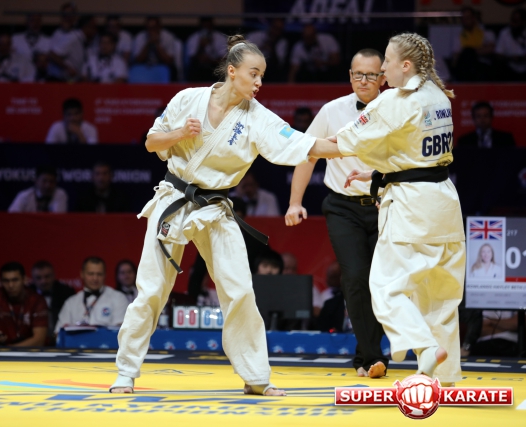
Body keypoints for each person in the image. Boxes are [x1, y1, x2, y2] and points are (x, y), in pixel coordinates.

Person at [109, 35, 331, 396]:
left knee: (239, 288)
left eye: (262, 76)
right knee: (151, 289)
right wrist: (180, 132)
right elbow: (151, 142)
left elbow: (304, 145)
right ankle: (125, 373)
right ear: (232, 71)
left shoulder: (258, 117)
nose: (259, 83)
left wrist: (351, 146)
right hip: (173, 198)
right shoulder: (188, 99)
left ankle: (256, 377)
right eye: (254, 74)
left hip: (214, 208)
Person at [307, 33, 465, 386]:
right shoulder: (438, 94)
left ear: (404, 66)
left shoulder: (395, 100)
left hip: (411, 205)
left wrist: (290, 144)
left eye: (387, 64)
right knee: (440, 295)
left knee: (384, 287)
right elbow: (412, 151)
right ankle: (446, 378)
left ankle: (424, 346)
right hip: (443, 200)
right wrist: (379, 172)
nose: (382, 73)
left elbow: (340, 144)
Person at [286, 48, 389, 378]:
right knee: (355, 277)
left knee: (381, 281)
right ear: (349, 76)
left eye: (371, 75)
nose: (363, 80)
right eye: (358, 74)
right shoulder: (332, 110)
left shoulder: (397, 109)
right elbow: (307, 154)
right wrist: (295, 202)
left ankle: (367, 354)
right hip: (343, 207)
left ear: (383, 78)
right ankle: (371, 357)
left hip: (386, 205)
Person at [0, 262, 48, 346]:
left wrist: (11, 349)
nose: (10, 285)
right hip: (2, 346)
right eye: (6, 281)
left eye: (15, 280)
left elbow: (39, 340)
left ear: (24, 279)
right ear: (0, 281)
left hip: (27, 349)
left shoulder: (37, 300)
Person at [55, 257, 129, 333]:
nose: (95, 278)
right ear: (82, 274)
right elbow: (58, 333)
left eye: (99, 274)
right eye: (91, 274)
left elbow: (121, 331)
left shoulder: (119, 298)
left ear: (105, 275)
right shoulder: (71, 302)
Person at [28, 260, 75, 343]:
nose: (43, 281)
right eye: (38, 278)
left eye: (47, 277)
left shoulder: (66, 292)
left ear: (54, 276)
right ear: (32, 279)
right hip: (33, 341)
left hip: (60, 341)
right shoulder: (27, 294)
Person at [449, 7, 495, 82]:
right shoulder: (458, 36)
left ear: (474, 18)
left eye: (467, 18)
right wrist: (480, 49)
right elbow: (456, 56)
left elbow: (490, 49)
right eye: (463, 18)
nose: (465, 21)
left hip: (482, 66)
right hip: (465, 67)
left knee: (468, 51)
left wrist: (471, 51)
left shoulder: (486, 33)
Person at [48, 2, 84, 82]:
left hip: (75, 79)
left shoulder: (78, 33)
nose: (68, 17)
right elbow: (52, 55)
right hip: (57, 78)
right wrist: (67, 67)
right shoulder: (57, 34)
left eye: (71, 14)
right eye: (66, 14)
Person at [186, 16, 227, 82]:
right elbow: (191, 58)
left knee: (222, 69)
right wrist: (201, 46)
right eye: (204, 27)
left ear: (212, 26)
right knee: (193, 69)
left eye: (208, 26)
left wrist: (211, 60)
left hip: (214, 65)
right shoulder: (193, 38)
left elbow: (224, 58)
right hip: (198, 67)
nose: (206, 29)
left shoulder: (220, 38)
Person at [496, 8, 526, 82]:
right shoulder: (504, 33)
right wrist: (511, 58)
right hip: (509, 68)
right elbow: (498, 54)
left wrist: (522, 58)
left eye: (516, 21)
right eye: (512, 20)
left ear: (523, 22)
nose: (513, 24)